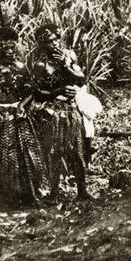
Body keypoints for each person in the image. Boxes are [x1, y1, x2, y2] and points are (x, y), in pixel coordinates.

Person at [0, 27, 49, 203]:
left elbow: (31, 91)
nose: (10, 52)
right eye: (6, 49)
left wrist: (21, 105)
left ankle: (22, 193)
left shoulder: (21, 68)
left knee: (21, 154)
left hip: (15, 114)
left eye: (13, 48)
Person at [31, 24, 93, 200]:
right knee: (54, 151)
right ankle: (54, 192)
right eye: (51, 41)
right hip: (52, 111)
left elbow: (81, 80)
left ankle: (82, 191)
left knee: (77, 150)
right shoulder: (41, 65)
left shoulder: (69, 56)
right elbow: (37, 93)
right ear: (42, 44)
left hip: (71, 109)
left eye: (57, 39)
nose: (56, 43)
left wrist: (66, 66)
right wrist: (57, 92)